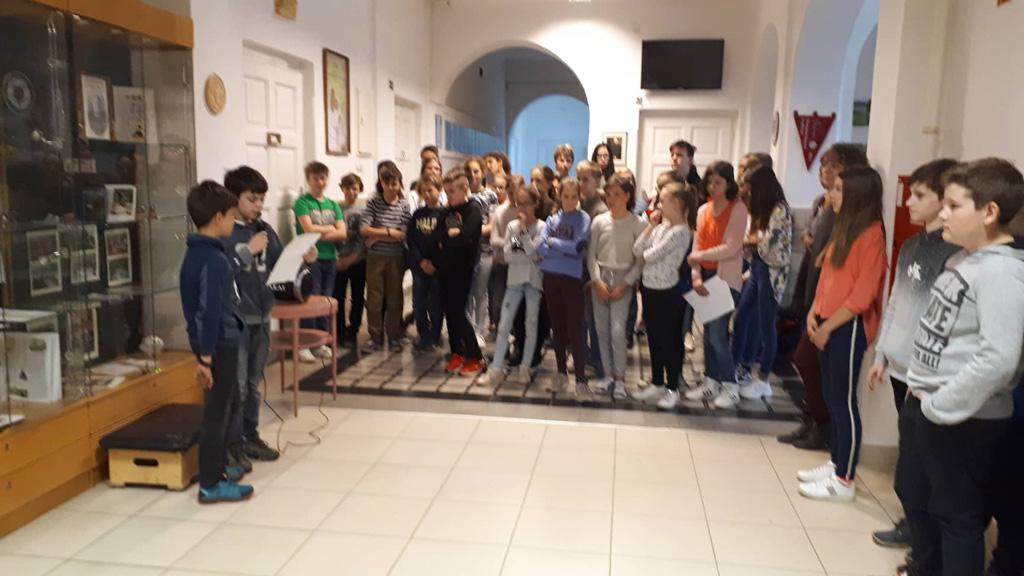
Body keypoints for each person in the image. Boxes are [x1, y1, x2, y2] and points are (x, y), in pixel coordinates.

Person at [895, 158, 1024, 576]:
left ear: (990, 212)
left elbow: (999, 358)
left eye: (954, 206)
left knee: (958, 518)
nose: (944, 214)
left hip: (964, 417)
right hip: (931, 406)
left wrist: (941, 405)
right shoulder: (963, 261)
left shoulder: (1003, 273)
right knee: (921, 498)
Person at [863, 159, 960, 549]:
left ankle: (924, 535)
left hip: (929, 374)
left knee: (925, 461)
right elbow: (897, 303)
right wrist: (882, 355)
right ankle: (912, 523)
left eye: (920, 195)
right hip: (901, 366)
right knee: (910, 454)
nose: (909, 203)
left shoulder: (955, 253)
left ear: (944, 199)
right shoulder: (912, 245)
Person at [797, 165, 887, 502]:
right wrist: (813, 314)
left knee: (844, 402)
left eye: (838, 189)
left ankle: (845, 479)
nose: (830, 195)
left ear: (857, 195)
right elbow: (828, 281)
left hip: (847, 327)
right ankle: (836, 462)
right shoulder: (846, 229)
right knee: (832, 397)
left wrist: (827, 327)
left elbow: (862, 296)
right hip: (827, 321)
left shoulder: (872, 234)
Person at [778, 143, 870, 449]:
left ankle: (823, 426)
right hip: (816, 293)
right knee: (808, 362)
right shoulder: (824, 203)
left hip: (834, 305)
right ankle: (812, 420)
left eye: (834, 165)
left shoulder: (853, 217)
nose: (826, 171)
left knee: (811, 363)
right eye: (824, 165)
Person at [223, 166, 301, 469]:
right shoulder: (225, 231)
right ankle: (232, 444)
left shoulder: (265, 229)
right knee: (237, 385)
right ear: (234, 198)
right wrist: (247, 251)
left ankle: (250, 435)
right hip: (236, 320)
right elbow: (221, 272)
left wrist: (301, 260)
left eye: (262, 199)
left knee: (254, 382)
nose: (258, 205)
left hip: (261, 315)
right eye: (252, 199)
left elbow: (280, 265)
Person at [180, 181, 253, 504]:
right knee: (216, 414)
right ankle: (210, 483)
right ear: (219, 217)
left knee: (229, 403)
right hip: (217, 345)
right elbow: (208, 313)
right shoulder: (213, 260)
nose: (235, 222)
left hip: (218, 341)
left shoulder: (201, 253)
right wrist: (205, 360)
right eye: (232, 216)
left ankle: (219, 468)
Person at [685, 161, 748, 409]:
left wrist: (698, 258)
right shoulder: (703, 210)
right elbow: (697, 244)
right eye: (710, 182)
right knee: (708, 336)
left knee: (718, 335)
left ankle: (730, 386)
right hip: (706, 276)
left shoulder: (738, 208)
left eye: (718, 182)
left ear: (729, 184)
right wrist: (696, 276)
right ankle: (711, 381)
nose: (713, 187)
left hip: (726, 278)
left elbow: (731, 247)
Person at [632, 182, 698, 410]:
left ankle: (672, 388)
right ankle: (657, 381)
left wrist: (647, 250)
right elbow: (637, 249)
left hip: (668, 292)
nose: (658, 205)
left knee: (670, 340)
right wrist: (651, 226)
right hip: (649, 288)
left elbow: (649, 256)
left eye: (663, 201)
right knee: (654, 337)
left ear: (676, 204)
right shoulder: (662, 227)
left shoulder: (681, 232)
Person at [732, 167, 793, 399]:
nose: (749, 193)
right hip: (758, 269)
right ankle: (736, 365)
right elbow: (757, 241)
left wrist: (749, 240)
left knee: (767, 327)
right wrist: (752, 241)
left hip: (771, 273)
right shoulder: (764, 210)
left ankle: (764, 378)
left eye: (752, 189)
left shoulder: (780, 210)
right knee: (742, 315)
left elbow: (768, 244)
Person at [477, 184, 546, 387]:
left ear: (535, 203)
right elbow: (508, 255)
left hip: (534, 281)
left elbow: (534, 252)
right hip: (514, 280)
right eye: (519, 204)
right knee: (504, 325)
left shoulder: (542, 227)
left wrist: (524, 237)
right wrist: (526, 248)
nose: (522, 208)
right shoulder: (512, 227)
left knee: (531, 323)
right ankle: (496, 368)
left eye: (526, 203)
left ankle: (525, 366)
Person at [588, 172, 646, 399]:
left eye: (617, 194)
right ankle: (608, 375)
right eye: (609, 195)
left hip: (623, 277)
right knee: (601, 330)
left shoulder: (637, 223)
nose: (611, 199)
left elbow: (640, 260)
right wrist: (597, 280)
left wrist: (626, 283)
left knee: (617, 331)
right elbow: (591, 255)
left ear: (627, 196)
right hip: (601, 277)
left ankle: (620, 378)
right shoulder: (599, 221)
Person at [539, 178, 592, 398]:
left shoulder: (583, 218)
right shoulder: (552, 219)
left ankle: (581, 380)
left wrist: (554, 243)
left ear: (579, 197)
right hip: (550, 277)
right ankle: (561, 374)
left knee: (575, 329)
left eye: (574, 197)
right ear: (559, 196)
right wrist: (561, 248)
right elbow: (541, 248)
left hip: (572, 279)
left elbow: (578, 248)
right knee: (557, 328)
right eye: (565, 196)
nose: (570, 201)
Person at [293, 161, 347, 362]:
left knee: (325, 300)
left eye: (323, 178)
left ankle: (319, 342)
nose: (320, 182)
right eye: (315, 178)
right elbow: (308, 229)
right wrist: (330, 229)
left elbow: (342, 233)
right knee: (309, 300)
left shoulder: (333, 204)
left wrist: (320, 232)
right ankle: (304, 344)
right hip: (310, 259)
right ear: (308, 179)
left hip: (330, 259)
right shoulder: (302, 203)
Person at [439, 167, 487, 376]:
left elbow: (467, 235)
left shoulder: (473, 210)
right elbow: (438, 235)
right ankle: (457, 352)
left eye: (452, 191)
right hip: (446, 267)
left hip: (464, 268)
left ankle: (476, 357)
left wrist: (452, 236)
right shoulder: (446, 211)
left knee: (459, 312)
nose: (448, 196)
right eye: (446, 192)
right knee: (450, 312)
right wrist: (450, 236)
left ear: (464, 188)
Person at [360, 164, 412, 353]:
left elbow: (403, 234)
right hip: (375, 258)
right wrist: (391, 233)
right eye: (387, 183)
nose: (391, 187)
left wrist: (378, 236)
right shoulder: (374, 203)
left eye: (395, 183)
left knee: (395, 298)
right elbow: (364, 229)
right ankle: (375, 337)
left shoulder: (404, 205)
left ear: (399, 184)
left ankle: (394, 336)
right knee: (374, 299)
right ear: (381, 183)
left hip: (396, 257)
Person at [407, 173, 445, 352]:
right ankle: (423, 335)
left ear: (439, 189)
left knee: (436, 304)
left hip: (438, 268)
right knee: (419, 303)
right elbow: (411, 240)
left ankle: (435, 335)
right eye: (424, 191)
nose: (427, 194)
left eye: (431, 190)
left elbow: (447, 242)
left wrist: (435, 263)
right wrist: (421, 261)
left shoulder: (445, 214)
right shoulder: (418, 215)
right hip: (419, 266)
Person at [578, 160, 608, 376]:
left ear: (598, 181)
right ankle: (588, 357)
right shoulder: (582, 204)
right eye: (579, 179)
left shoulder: (600, 209)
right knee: (583, 317)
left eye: (586, 179)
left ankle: (599, 362)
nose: (581, 183)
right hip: (579, 268)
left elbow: (595, 247)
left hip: (592, 270)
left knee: (594, 319)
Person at [466, 156, 498, 346]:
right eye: (469, 172)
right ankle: (468, 330)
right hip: (466, 253)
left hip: (485, 251)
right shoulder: (464, 194)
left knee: (480, 292)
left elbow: (491, 226)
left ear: (483, 173)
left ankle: (480, 331)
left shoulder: (490, 195)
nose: (473, 175)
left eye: (476, 171)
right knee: (467, 294)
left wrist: (469, 230)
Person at [334, 173, 368, 347]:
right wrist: (337, 258)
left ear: (359, 189)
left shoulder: (365, 207)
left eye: (354, 188)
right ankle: (339, 331)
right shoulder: (335, 207)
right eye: (347, 188)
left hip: (358, 260)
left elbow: (364, 238)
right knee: (337, 297)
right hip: (339, 260)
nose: (351, 192)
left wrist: (353, 257)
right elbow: (331, 233)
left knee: (357, 296)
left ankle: (353, 330)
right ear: (342, 188)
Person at [488, 173, 515, 328]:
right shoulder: (499, 211)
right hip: (502, 262)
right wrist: (511, 243)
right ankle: (500, 331)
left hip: (519, 265)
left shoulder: (524, 211)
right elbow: (493, 239)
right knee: (498, 301)